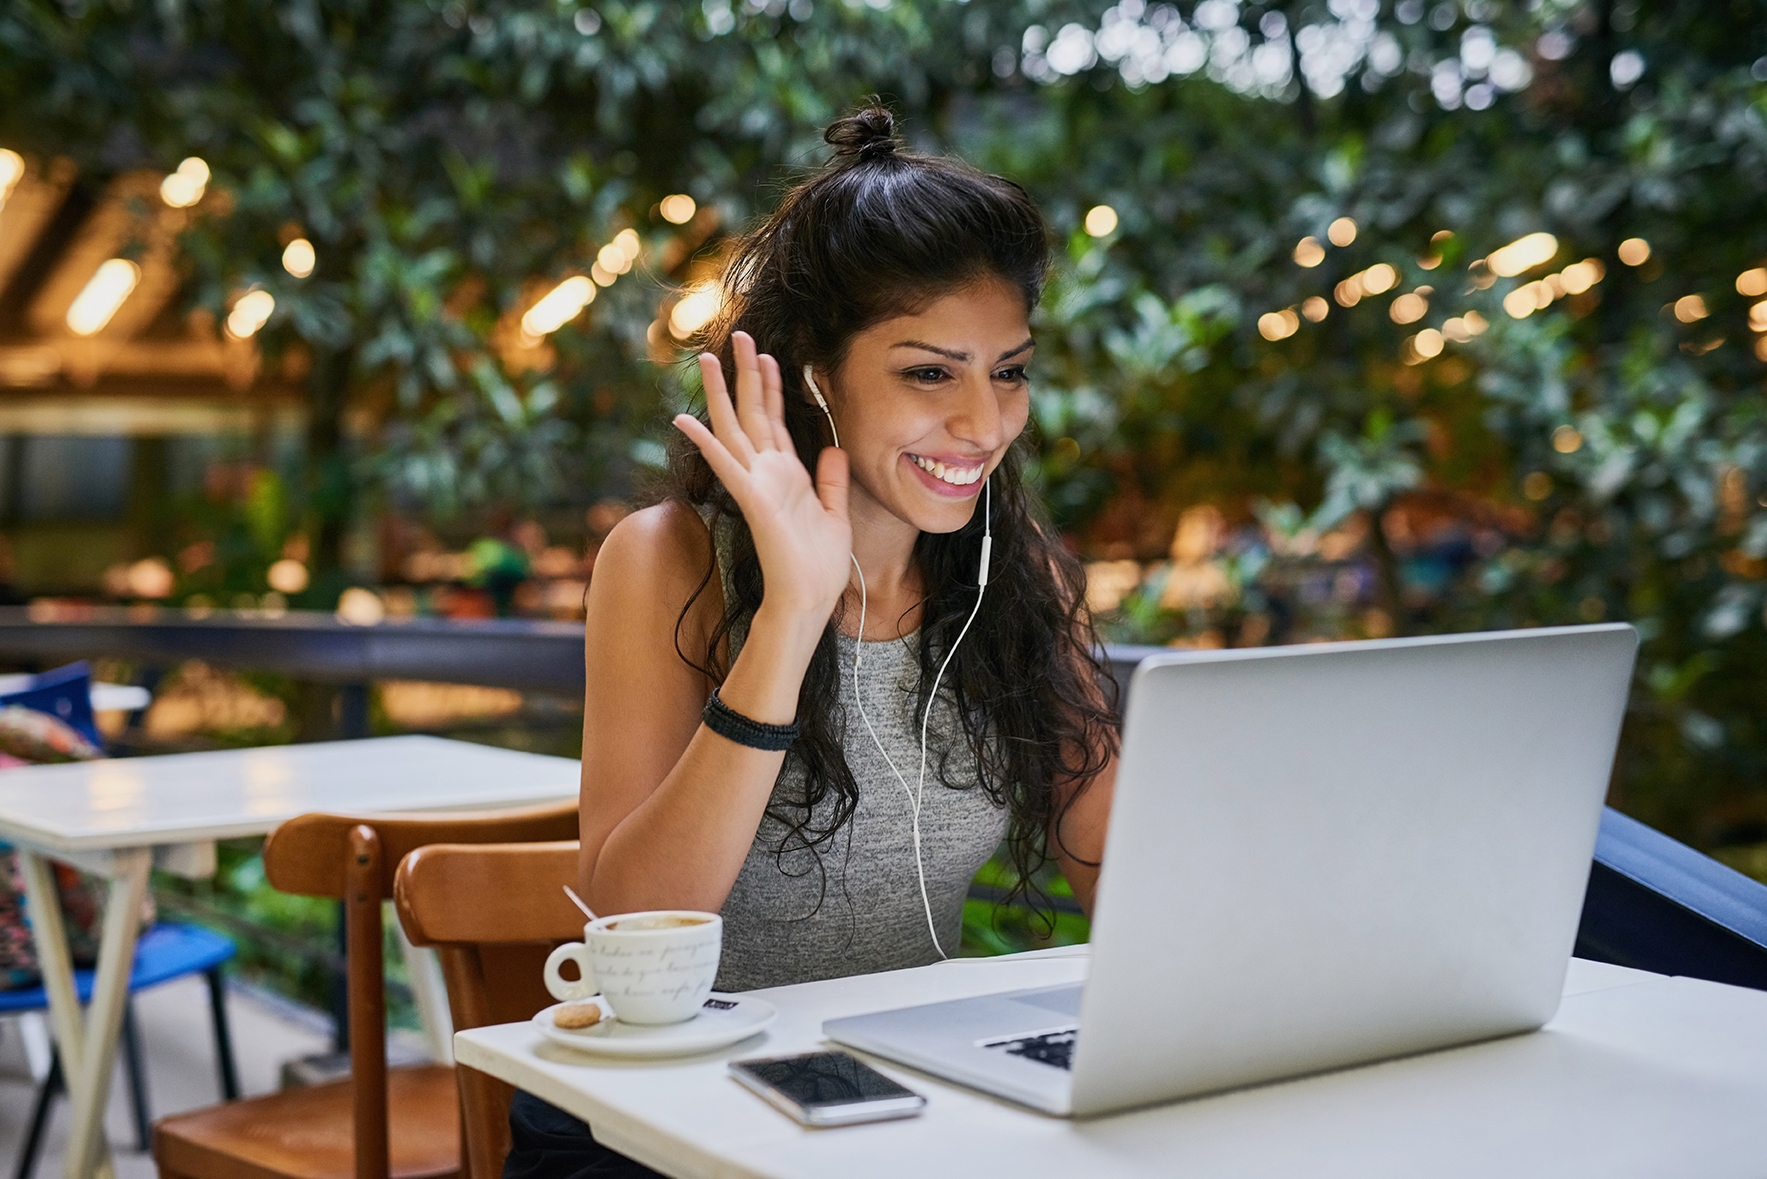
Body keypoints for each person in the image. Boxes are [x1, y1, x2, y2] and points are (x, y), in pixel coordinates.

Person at [503, 102, 1119, 1179]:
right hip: (654, 1124)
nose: (985, 423)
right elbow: (629, 914)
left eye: (1009, 370)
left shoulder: (1013, 579)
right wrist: (792, 612)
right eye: (930, 373)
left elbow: (1129, 877)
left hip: (889, 1105)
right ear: (818, 377)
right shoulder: (667, 561)